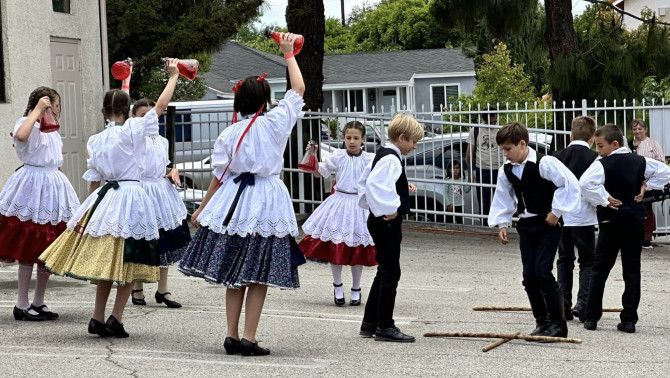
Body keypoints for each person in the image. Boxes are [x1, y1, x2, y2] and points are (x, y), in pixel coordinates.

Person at [178, 33, 305, 356]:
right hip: (264, 200)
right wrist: (288, 53)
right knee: (258, 273)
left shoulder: (229, 133)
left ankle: (232, 335)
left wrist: (201, 210)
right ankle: (249, 337)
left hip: (232, 203)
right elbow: (299, 90)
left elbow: (218, 178)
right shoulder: (275, 123)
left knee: (234, 274)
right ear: (264, 100)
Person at [39, 59, 181, 338]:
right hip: (131, 197)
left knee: (107, 262)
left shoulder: (97, 139)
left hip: (107, 198)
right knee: (130, 261)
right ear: (127, 112)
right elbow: (160, 108)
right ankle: (116, 317)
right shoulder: (132, 130)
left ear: (104, 111)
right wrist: (173, 77)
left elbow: (94, 178)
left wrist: (89, 212)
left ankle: (97, 316)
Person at [488, 122, 580, 338]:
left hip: (548, 224)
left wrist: (556, 211)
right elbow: (503, 196)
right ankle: (542, 321)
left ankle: (558, 324)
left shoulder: (545, 162)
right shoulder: (507, 170)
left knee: (542, 272)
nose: (505, 154)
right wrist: (502, 222)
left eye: (508, 149)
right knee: (529, 276)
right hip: (526, 226)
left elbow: (570, 184)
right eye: (503, 149)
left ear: (522, 143)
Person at [580, 124, 670, 333]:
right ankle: (629, 320)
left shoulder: (602, 164)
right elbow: (666, 172)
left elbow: (585, 183)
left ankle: (592, 317)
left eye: (600, 146)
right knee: (631, 272)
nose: (598, 150)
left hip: (611, 223)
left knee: (599, 270)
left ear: (614, 143)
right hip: (633, 222)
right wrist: (646, 186)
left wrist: (604, 199)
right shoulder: (640, 161)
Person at [0, 87, 80, 321]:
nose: (57, 109)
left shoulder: (50, 128)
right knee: (29, 245)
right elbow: (22, 137)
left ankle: (39, 302)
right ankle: (22, 304)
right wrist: (37, 110)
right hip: (32, 186)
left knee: (49, 247)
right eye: (55, 105)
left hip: (52, 186)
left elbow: (52, 156)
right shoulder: (27, 122)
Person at [358, 113, 423, 343]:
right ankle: (385, 325)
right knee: (391, 272)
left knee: (384, 270)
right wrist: (390, 210)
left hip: (380, 220)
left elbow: (365, 181)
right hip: (385, 222)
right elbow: (375, 184)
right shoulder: (391, 158)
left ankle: (370, 322)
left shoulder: (385, 155)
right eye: (414, 142)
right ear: (402, 137)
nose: (414, 147)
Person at [300, 121, 376, 307]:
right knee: (336, 245)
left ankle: (356, 289)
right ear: (344, 138)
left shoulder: (370, 159)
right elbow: (320, 173)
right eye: (349, 138)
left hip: (360, 206)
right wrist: (313, 155)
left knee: (357, 247)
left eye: (356, 138)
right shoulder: (338, 156)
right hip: (339, 203)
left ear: (363, 139)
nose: (352, 141)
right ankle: (338, 286)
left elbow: (382, 178)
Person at [129, 99, 191, 309]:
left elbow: (161, 167)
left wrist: (171, 171)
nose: (149, 119)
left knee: (165, 239)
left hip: (161, 192)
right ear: (134, 118)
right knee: (140, 240)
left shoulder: (162, 141)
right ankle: (137, 286)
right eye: (143, 115)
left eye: (152, 115)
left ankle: (162, 289)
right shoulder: (134, 138)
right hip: (141, 191)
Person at [552, 116, 599, 322]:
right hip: (585, 217)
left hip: (562, 216)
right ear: (592, 138)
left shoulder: (556, 156)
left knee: (564, 260)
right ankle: (583, 302)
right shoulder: (596, 158)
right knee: (587, 261)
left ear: (570, 135)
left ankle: (563, 302)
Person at [628, 119, 665, 249]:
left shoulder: (653, 144)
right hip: (633, 181)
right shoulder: (629, 145)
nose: (637, 131)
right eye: (634, 129)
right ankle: (637, 236)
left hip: (648, 180)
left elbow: (661, 162)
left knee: (646, 207)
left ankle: (647, 237)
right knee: (634, 208)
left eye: (640, 128)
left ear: (645, 129)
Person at [466, 106, 503, 220]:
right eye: (491, 120)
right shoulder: (476, 130)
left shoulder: (501, 130)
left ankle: (499, 223)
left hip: (499, 168)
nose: (493, 122)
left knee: (501, 200)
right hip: (482, 169)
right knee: (484, 202)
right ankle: (485, 224)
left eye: (495, 120)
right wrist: (469, 172)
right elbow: (469, 152)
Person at [443, 160, 471, 224]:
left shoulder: (461, 180)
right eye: (453, 168)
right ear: (450, 170)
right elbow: (445, 193)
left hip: (460, 205)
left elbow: (466, 190)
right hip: (451, 205)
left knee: (460, 222)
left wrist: (470, 183)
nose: (455, 170)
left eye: (457, 168)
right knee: (449, 222)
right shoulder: (448, 181)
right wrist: (448, 204)